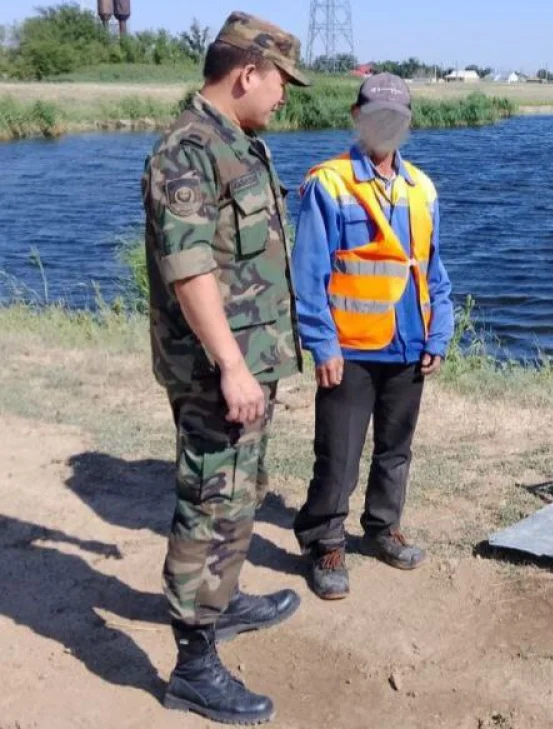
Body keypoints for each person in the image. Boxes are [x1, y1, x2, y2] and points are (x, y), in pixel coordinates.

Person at [140, 10, 309, 725]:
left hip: (249, 360)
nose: (283, 96)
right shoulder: (187, 150)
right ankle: (193, 661)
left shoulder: (238, 143)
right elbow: (190, 271)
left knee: (241, 491)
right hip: (218, 369)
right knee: (210, 498)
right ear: (247, 73)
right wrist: (233, 366)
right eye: (279, 83)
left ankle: (226, 594)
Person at [290, 73, 454, 600]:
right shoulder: (330, 184)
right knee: (338, 452)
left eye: (397, 117)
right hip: (351, 348)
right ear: (356, 117)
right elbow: (309, 272)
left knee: (395, 449)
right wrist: (322, 343)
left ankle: (382, 527)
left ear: (407, 124)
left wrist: (439, 334)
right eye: (376, 115)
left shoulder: (422, 188)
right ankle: (325, 542)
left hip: (409, 344)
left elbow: (432, 269)